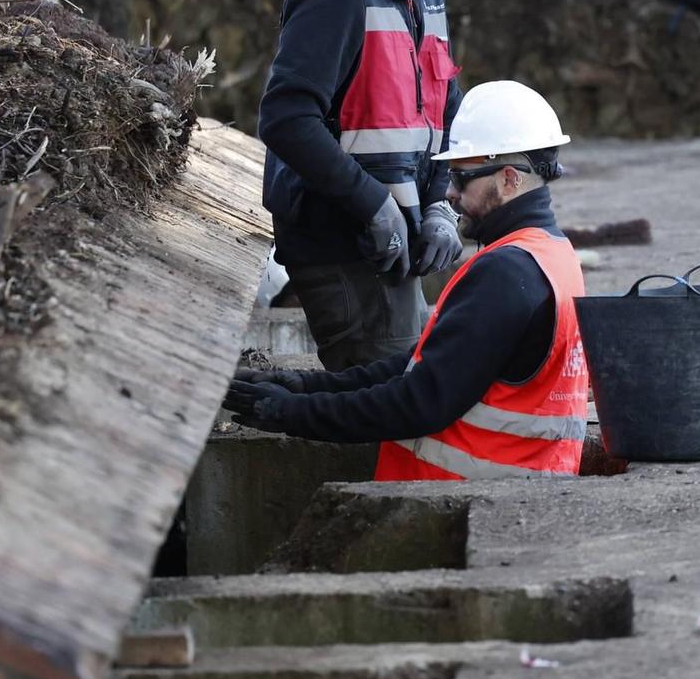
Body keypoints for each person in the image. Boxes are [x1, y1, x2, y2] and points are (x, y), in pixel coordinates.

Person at [226, 81, 589, 480]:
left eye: (462, 178)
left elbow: (419, 401)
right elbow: (423, 363)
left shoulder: (505, 274)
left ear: (508, 180)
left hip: (466, 501)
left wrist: (289, 413)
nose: (449, 192)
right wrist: (305, 386)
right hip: (521, 486)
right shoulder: (553, 255)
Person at [257, 0, 474, 370]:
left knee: (407, 383)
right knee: (384, 406)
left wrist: (442, 201)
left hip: (391, 242)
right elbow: (286, 119)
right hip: (341, 245)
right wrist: (370, 202)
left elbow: (443, 107)